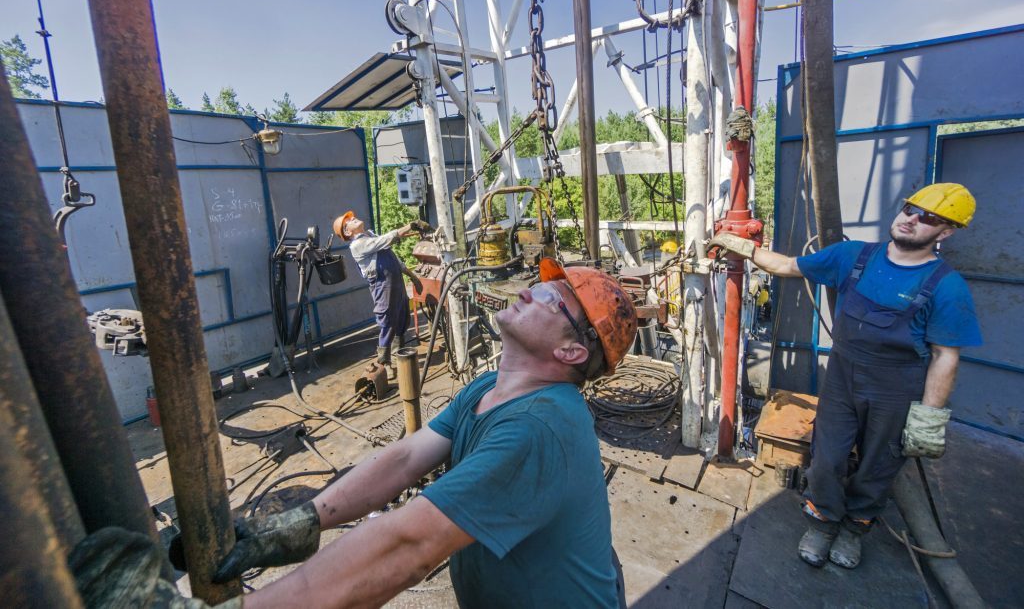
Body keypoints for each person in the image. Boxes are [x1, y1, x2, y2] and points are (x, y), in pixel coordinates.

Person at [210, 257, 639, 607]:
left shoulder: (540, 427)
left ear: (572, 351)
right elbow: (405, 458)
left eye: (549, 299)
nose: (527, 290)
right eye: (538, 285)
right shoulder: (488, 387)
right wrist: (305, 519)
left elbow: (406, 547)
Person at [709, 183, 982, 570]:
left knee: (878, 466)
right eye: (909, 209)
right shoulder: (854, 257)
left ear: (946, 232)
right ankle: (822, 522)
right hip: (841, 379)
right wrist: (747, 250)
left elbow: (944, 356)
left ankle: (855, 530)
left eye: (929, 218)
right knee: (826, 459)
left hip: (897, 391)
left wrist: (929, 419)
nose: (911, 219)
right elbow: (787, 266)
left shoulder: (947, 287)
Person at [334, 211, 423, 372]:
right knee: (387, 320)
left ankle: (398, 354)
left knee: (402, 315)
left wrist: (412, 275)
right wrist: (409, 226)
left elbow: (393, 257)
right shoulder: (357, 245)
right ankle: (384, 363)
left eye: (352, 217)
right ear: (348, 232)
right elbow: (386, 240)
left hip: (396, 281)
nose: (353, 218)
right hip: (382, 284)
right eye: (349, 221)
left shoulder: (370, 235)